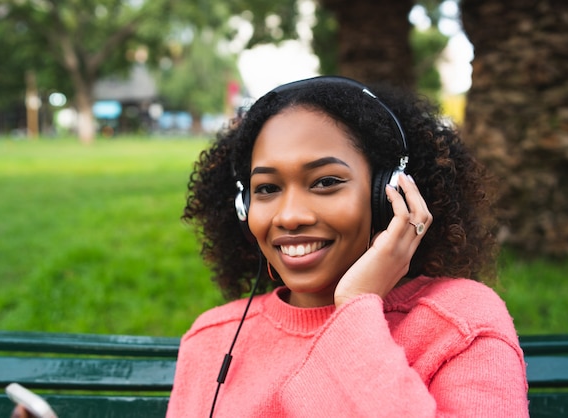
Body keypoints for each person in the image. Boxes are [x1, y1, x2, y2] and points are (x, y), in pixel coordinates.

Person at [167, 76, 528, 417]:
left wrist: (355, 308)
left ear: (389, 194)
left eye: (325, 182)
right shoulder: (212, 339)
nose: (289, 216)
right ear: (244, 209)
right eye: (267, 188)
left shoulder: (461, 324)